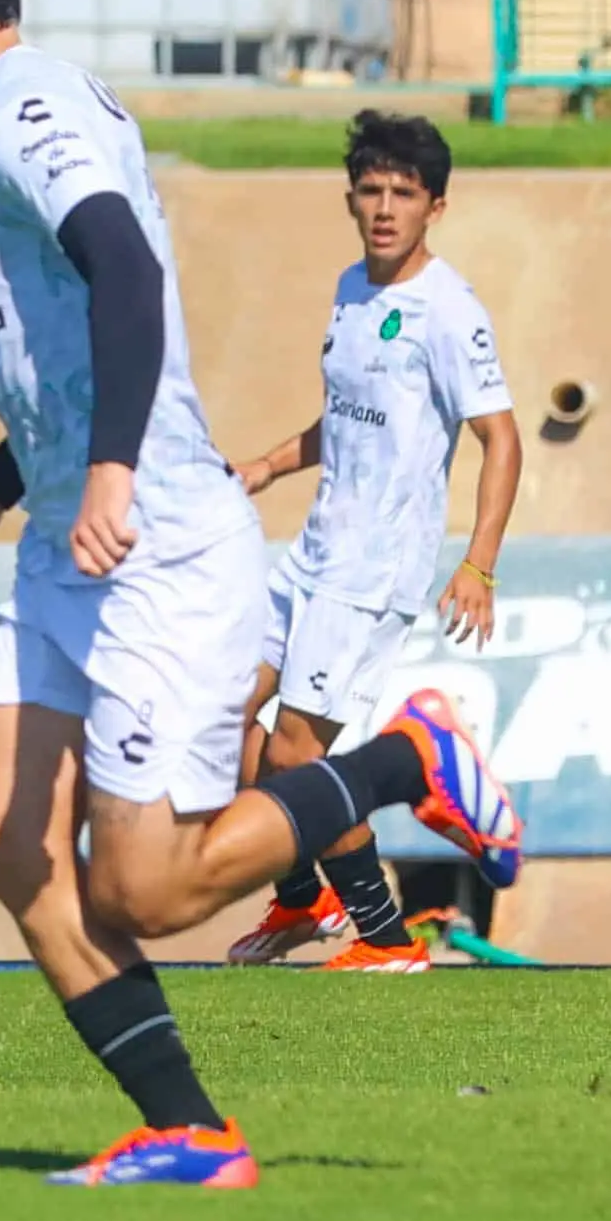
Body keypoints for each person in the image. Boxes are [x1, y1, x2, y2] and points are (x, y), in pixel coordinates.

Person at [0, 0, 521, 1187]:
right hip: (66, 536)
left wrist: (106, 475)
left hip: (151, 543)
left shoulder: (19, 108)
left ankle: (410, 763)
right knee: (3, 839)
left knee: (144, 893)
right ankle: (186, 1132)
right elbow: (74, 341)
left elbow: (120, 263)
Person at [225, 111, 521, 973]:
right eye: (371, 190)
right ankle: (300, 897)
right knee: (218, 714)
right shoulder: (353, 287)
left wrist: (479, 564)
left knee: (295, 753)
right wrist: (272, 464)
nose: (385, 207)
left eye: (404, 193)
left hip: (373, 570)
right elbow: (350, 419)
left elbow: (500, 437)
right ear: (351, 199)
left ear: (437, 206)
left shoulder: (449, 311)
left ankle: (386, 938)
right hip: (313, 552)